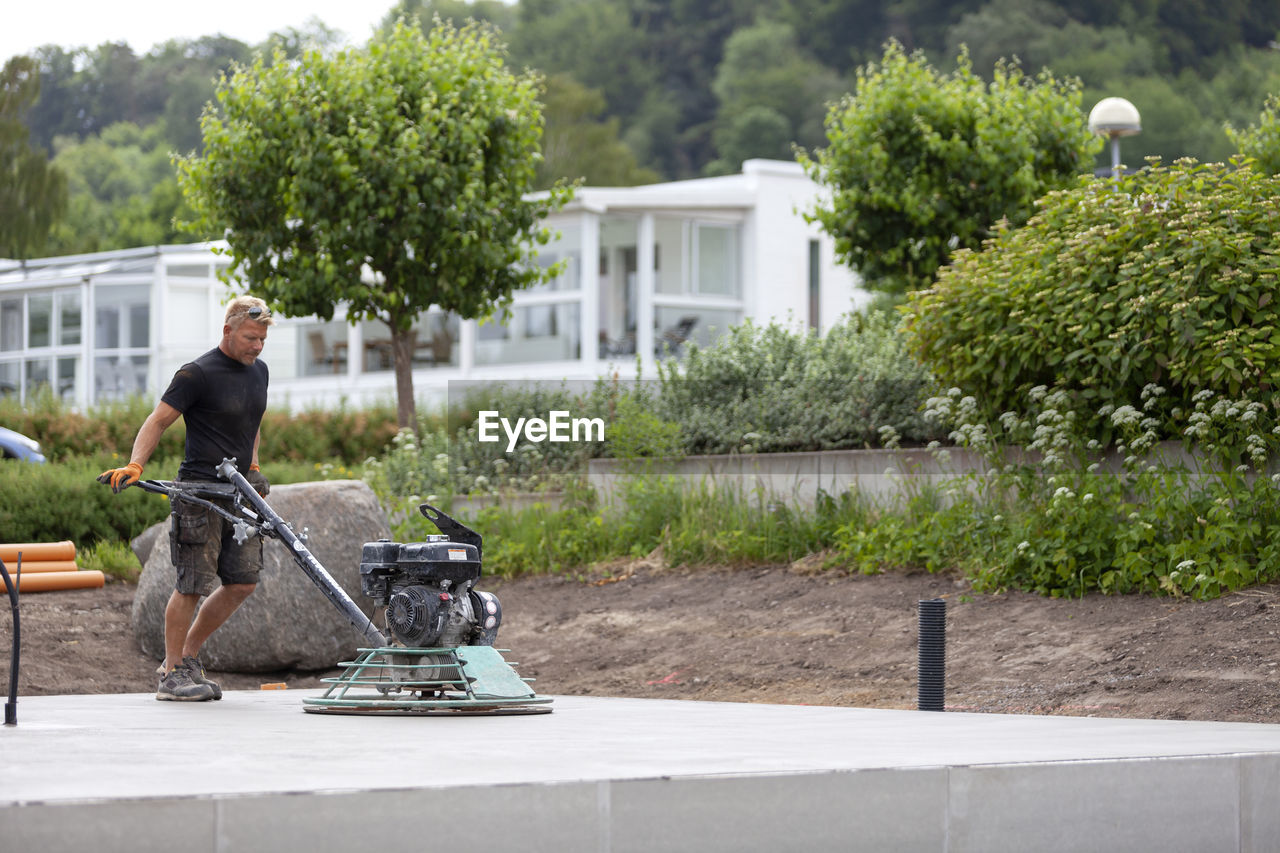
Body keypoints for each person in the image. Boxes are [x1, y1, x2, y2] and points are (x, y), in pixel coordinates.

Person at [99, 296, 274, 701]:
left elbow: (253, 421)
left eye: (262, 339)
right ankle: (171, 674)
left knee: (243, 583)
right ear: (227, 331)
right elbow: (158, 420)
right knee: (192, 584)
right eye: (251, 337)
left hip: (240, 494)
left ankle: (187, 659)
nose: (257, 346)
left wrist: (255, 466)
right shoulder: (197, 373)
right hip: (199, 493)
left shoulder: (259, 372)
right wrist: (135, 464)